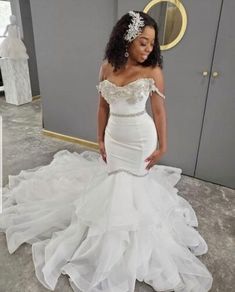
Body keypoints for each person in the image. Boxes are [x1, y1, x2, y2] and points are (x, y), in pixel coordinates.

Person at [0, 10, 213, 292]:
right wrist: (100, 139)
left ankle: (129, 244)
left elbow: (159, 112)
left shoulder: (153, 71)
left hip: (140, 139)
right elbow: (102, 107)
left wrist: (163, 146)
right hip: (115, 137)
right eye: (143, 43)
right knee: (115, 185)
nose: (149, 49)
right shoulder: (106, 67)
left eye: (152, 43)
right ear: (126, 39)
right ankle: (107, 236)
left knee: (131, 188)